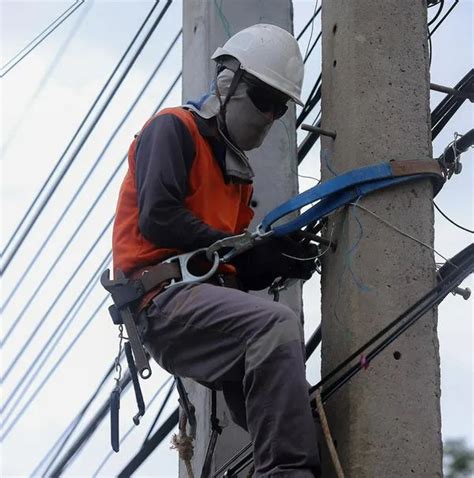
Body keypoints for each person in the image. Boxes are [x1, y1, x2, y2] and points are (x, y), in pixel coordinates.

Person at [112, 24, 321, 477]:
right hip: (162, 301)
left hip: (199, 306)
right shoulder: (173, 129)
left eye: (280, 107)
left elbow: (223, 265)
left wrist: (267, 260)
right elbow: (160, 217)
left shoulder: (237, 178)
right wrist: (243, 250)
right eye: (263, 100)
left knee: (295, 407)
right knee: (275, 326)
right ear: (228, 83)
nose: (269, 116)